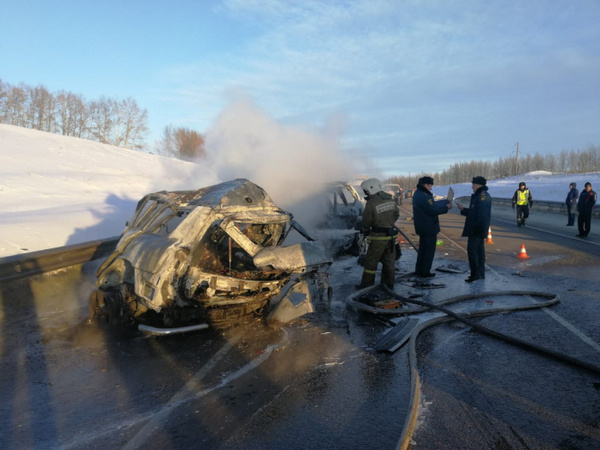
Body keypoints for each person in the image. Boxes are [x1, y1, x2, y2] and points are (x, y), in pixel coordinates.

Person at [356, 177, 400, 290]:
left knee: (371, 263)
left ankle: (366, 286)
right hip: (391, 238)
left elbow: (366, 222)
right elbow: (396, 215)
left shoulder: (371, 204)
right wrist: (388, 223)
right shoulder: (391, 200)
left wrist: (365, 230)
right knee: (389, 262)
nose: (366, 193)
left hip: (378, 239)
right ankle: (388, 285)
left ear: (371, 188)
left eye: (366, 190)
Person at [412, 176, 452, 277]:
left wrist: (441, 203)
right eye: (430, 186)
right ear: (426, 185)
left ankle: (419, 270)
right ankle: (425, 272)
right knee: (429, 251)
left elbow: (430, 206)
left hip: (422, 227)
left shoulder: (418, 193)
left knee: (422, 250)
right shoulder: (425, 196)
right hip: (428, 227)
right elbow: (433, 210)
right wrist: (446, 207)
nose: (431, 188)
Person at [456, 176, 491, 283]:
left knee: (473, 251)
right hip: (477, 228)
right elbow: (474, 212)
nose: (472, 187)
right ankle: (479, 274)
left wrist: (477, 228)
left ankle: (475, 274)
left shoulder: (482, 196)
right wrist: (463, 210)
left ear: (480, 185)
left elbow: (482, 214)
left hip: (477, 228)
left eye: (474, 185)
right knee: (479, 251)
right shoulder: (478, 195)